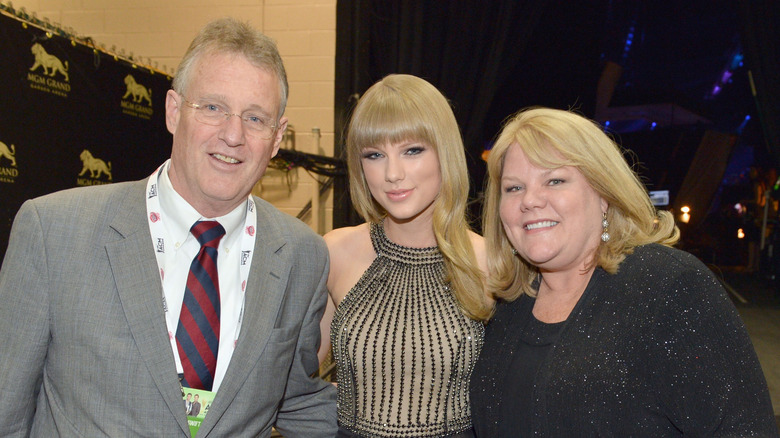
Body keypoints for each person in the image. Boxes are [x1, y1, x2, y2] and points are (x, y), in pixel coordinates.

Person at [0, 17, 336, 437]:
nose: (233, 135)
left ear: (277, 136)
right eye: (213, 107)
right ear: (174, 112)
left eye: (255, 118)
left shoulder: (301, 256)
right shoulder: (54, 232)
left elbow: (299, 398)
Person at [471, 107, 779, 436]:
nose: (530, 200)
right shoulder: (507, 303)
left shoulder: (668, 286)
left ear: (603, 194)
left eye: (555, 180)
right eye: (514, 188)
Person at [321, 74, 493, 438]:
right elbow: (286, 379)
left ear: (444, 151)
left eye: (412, 150)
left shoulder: (492, 263)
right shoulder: (335, 252)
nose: (393, 174)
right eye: (374, 155)